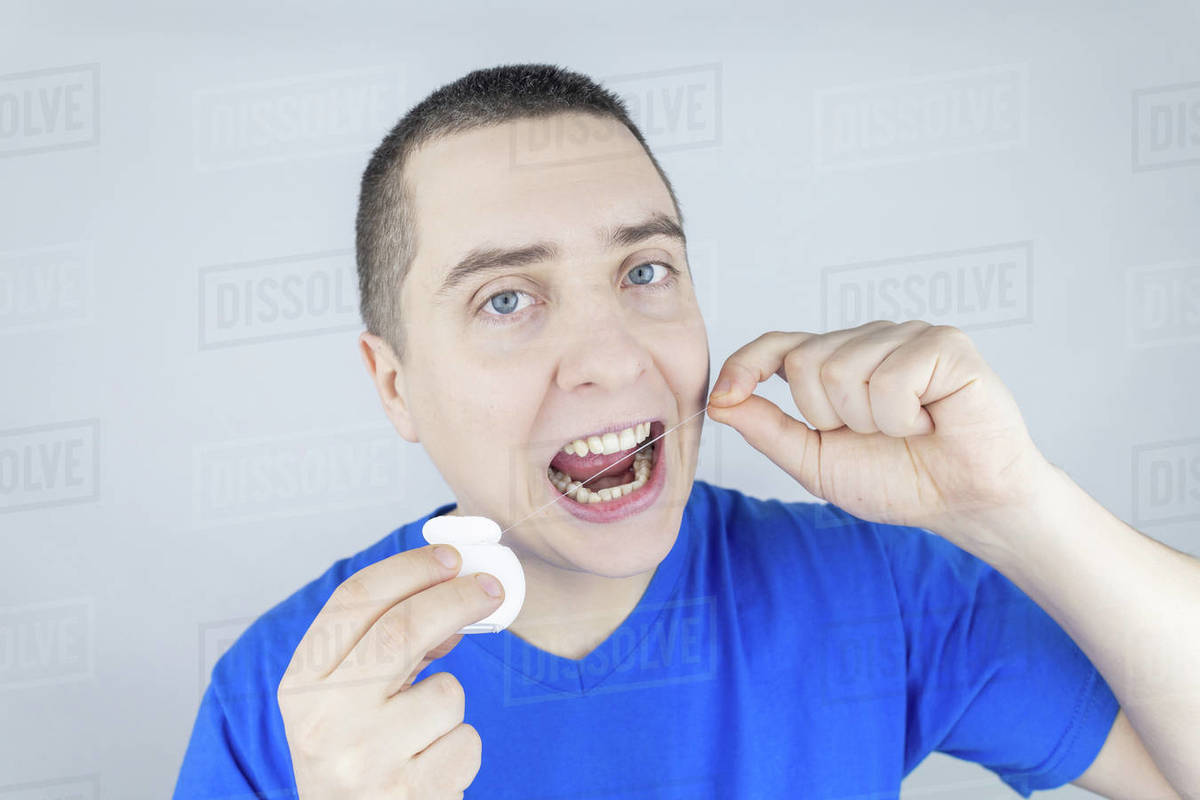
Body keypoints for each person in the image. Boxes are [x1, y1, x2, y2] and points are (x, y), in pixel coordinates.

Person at [173, 64, 1194, 799]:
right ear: (395, 386)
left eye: (643, 271)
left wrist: (1020, 504)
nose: (614, 356)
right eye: (505, 299)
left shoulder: (878, 588)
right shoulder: (283, 692)